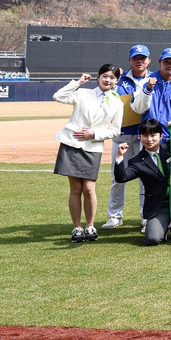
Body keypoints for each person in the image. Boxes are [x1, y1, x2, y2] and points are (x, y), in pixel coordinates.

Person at [53, 65, 123, 242]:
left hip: (93, 147)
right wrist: (77, 83)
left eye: (112, 78)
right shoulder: (83, 93)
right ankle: (77, 228)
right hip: (72, 143)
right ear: (98, 77)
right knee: (75, 189)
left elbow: (115, 131)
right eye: (105, 76)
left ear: (117, 81)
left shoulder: (117, 102)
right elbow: (58, 96)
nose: (108, 80)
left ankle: (90, 226)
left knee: (89, 188)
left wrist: (94, 134)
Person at [101, 45, 152, 231]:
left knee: (146, 178)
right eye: (135, 58)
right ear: (130, 60)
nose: (139, 61)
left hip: (145, 137)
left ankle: (146, 216)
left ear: (149, 60)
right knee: (117, 176)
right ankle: (114, 216)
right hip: (121, 135)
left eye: (143, 58)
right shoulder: (120, 79)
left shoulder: (155, 79)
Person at [111, 119, 171, 246]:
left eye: (153, 135)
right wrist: (119, 157)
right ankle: (166, 225)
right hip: (160, 206)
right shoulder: (137, 162)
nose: (149, 139)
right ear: (140, 137)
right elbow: (122, 178)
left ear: (161, 136)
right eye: (145, 135)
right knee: (152, 239)